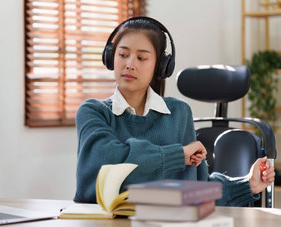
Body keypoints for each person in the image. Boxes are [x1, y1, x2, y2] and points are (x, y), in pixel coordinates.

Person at [73, 16, 275, 206]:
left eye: (142, 58)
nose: (130, 64)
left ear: (161, 66)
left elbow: (197, 190)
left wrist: (248, 184)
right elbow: (107, 165)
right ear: (110, 57)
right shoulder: (93, 112)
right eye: (123, 54)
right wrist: (177, 155)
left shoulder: (179, 113)